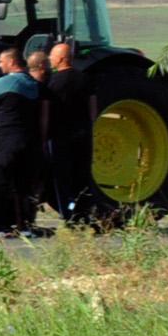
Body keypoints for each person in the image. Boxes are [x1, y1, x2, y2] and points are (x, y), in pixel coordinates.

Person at [0, 48, 43, 232]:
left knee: (0, 180)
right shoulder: (33, 83)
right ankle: (24, 225)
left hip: (7, 139)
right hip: (29, 140)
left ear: (11, 62)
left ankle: (2, 224)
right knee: (24, 184)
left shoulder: (7, 82)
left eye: (1, 61)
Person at [42, 38, 95, 220]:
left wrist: (44, 134)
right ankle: (84, 213)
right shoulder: (85, 79)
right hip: (83, 135)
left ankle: (69, 214)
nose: (50, 59)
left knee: (63, 178)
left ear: (61, 59)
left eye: (52, 56)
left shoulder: (53, 83)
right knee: (82, 177)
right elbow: (92, 107)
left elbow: (46, 112)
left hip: (61, 136)